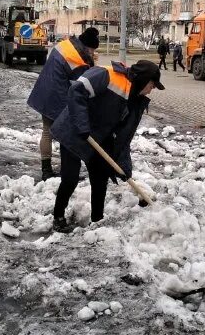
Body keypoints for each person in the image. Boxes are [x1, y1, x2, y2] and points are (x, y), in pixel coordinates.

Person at [49, 59, 164, 232]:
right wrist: (81, 125)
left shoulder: (134, 99)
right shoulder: (106, 74)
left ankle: (97, 221)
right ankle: (58, 216)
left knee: (100, 178)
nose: (151, 90)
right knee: (70, 178)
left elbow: (123, 138)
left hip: (97, 138)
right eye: (152, 85)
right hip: (73, 129)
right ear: (143, 79)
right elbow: (76, 91)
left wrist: (123, 167)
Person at [27, 27, 99, 180]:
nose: (92, 53)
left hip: (44, 91)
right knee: (67, 133)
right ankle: (67, 171)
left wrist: (89, 59)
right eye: (92, 50)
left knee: (47, 132)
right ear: (86, 47)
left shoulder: (66, 44)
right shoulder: (77, 59)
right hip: (56, 97)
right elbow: (81, 84)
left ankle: (46, 170)